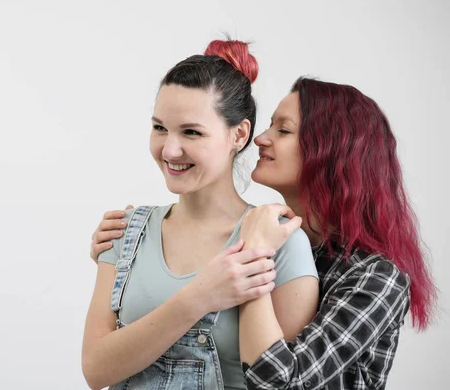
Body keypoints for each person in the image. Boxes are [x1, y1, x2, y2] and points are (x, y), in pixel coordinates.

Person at [90, 77, 437, 389]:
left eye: (283, 131)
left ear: (332, 152)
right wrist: (127, 255)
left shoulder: (376, 274)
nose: (260, 138)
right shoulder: (277, 235)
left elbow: (279, 382)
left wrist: (254, 256)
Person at [81, 40, 319, 390]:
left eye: (191, 132)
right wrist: (200, 297)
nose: (170, 149)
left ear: (239, 135)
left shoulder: (280, 242)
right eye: (160, 127)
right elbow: (95, 370)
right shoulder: (126, 232)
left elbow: (281, 383)